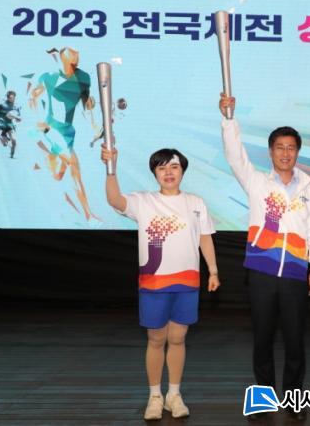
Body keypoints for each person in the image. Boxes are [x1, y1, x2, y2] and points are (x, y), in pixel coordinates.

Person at [219, 94, 310, 421]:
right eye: (279, 147)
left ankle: (294, 400)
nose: (285, 153)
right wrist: (229, 119)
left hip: (295, 273)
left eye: (291, 148)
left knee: (295, 341)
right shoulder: (257, 182)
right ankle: (263, 400)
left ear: (297, 152)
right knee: (263, 340)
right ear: (270, 152)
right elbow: (235, 156)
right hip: (261, 272)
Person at [101, 146, 221, 420]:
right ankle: (154, 396)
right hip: (154, 284)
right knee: (156, 339)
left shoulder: (196, 203)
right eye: (162, 168)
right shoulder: (143, 201)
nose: (169, 172)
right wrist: (111, 169)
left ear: (183, 171)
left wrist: (213, 271)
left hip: (187, 282)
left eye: (174, 167)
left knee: (178, 338)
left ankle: (174, 395)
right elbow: (115, 200)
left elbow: (204, 238)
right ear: (154, 173)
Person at [29, 47, 99, 222]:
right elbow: (33, 97)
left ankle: (45, 159)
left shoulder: (84, 78)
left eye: (77, 60)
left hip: (68, 130)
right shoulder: (50, 77)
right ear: (63, 59)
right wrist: (39, 120)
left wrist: (92, 116)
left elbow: (86, 102)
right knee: (74, 165)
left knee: (58, 175)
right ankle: (89, 215)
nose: (75, 64)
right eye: (72, 61)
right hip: (52, 129)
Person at [0, 90, 21, 158]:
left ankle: (12, 153)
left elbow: (18, 117)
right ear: (8, 97)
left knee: (14, 140)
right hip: (1, 124)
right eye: (11, 97)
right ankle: (3, 139)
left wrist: (18, 119)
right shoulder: (2, 105)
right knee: (4, 143)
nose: (12, 99)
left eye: (13, 97)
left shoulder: (15, 107)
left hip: (9, 125)